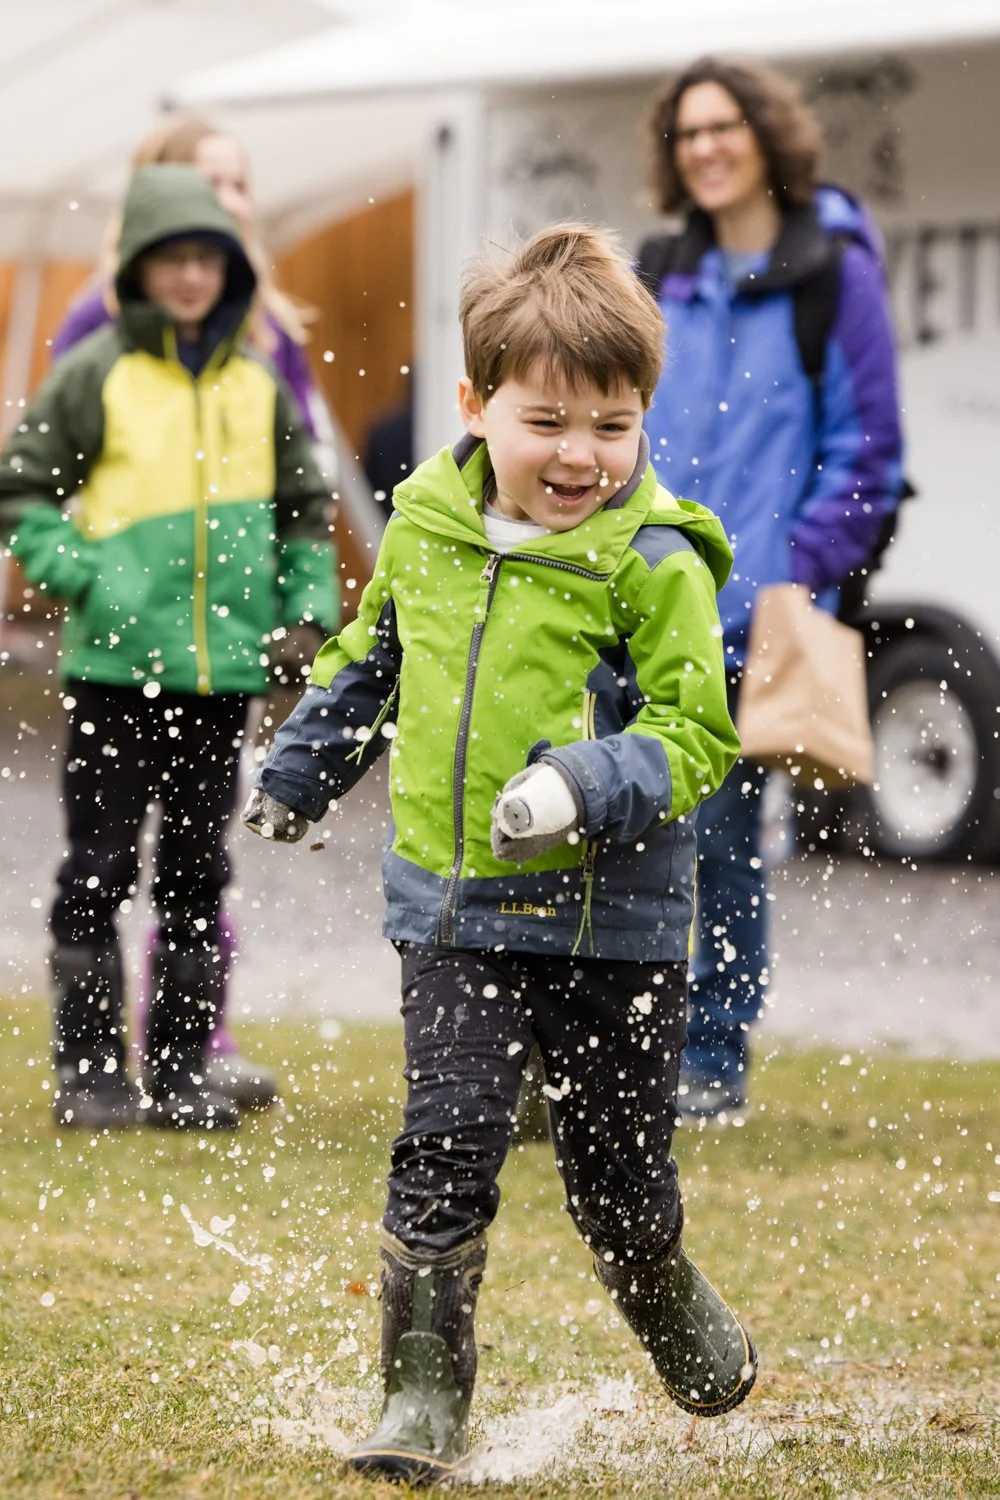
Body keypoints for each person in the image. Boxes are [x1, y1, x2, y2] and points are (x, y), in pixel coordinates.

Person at [243, 224, 755, 1484]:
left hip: (614, 932)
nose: (580, 455)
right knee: (445, 1140)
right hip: (454, 910)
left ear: (641, 420)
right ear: (475, 406)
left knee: (615, 1179)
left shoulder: (655, 562)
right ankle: (421, 1392)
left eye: (611, 424)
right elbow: (373, 658)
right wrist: (304, 766)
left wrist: (585, 782)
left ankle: (659, 1280)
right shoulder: (422, 529)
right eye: (547, 422)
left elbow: (695, 732)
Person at [0, 164, 338, 1132]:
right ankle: (90, 1074)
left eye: (207, 259)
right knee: (97, 871)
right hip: (112, 672)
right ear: (139, 268)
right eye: (170, 259)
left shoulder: (255, 382)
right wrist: (85, 573)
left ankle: (183, 1073)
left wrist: (301, 613)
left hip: (220, 678)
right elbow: (18, 490)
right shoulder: (97, 371)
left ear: (230, 271)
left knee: (197, 877)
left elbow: (305, 511)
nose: (190, 277)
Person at [640, 56, 904, 1119]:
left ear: (765, 136)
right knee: (628, 834)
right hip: (646, 599)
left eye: (722, 127)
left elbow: (868, 450)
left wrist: (793, 569)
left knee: (719, 844)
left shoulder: (832, 274)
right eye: (686, 133)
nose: (704, 147)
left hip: (759, 616)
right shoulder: (662, 270)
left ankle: (710, 1058)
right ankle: (632, 1045)